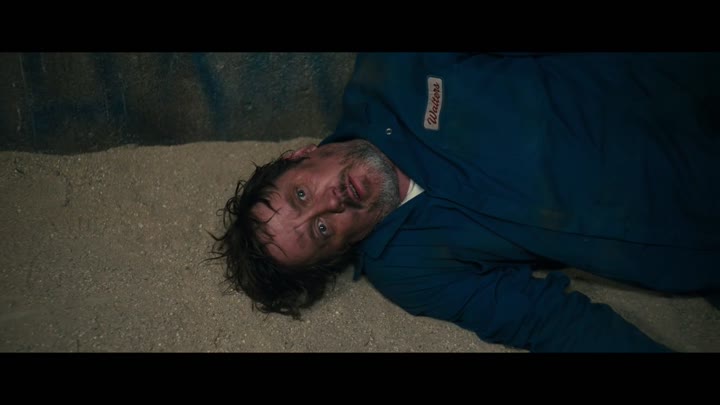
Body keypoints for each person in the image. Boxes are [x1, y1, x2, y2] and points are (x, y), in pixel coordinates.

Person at [210, 52, 720, 352]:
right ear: (338, 250)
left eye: (301, 194)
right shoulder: (408, 269)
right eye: (320, 230)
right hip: (694, 220)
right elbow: (548, 321)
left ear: (299, 156)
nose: (329, 205)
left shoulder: (390, 68)